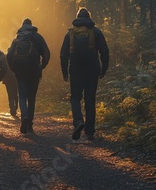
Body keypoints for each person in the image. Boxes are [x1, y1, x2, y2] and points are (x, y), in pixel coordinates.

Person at [60, 8, 109, 141]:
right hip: (92, 70)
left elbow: (63, 55)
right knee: (90, 99)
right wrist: (103, 69)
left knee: (75, 98)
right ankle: (89, 131)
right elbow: (105, 52)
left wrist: (65, 73)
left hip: (75, 70)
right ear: (89, 17)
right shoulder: (96, 32)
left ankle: (78, 122)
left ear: (77, 17)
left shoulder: (69, 33)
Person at [7, 18, 50, 134]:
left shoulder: (17, 38)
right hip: (34, 70)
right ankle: (29, 124)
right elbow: (46, 53)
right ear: (31, 25)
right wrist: (42, 66)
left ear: (22, 26)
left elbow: (9, 56)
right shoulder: (37, 37)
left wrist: (13, 69)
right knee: (31, 98)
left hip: (20, 71)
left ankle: (24, 117)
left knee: (22, 95)